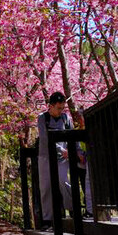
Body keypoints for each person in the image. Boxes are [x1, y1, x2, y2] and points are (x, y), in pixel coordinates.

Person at [37, 91, 73, 226]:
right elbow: (45, 137)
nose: (60, 111)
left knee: (64, 182)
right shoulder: (42, 118)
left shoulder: (65, 118)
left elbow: (72, 135)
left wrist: (72, 150)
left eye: (62, 108)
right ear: (50, 106)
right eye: (58, 108)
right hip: (45, 156)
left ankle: (72, 209)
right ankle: (47, 219)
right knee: (46, 187)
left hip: (62, 159)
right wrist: (62, 149)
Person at [71, 111, 93, 217]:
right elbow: (75, 146)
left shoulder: (90, 130)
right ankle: (88, 209)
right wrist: (78, 154)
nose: (79, 119)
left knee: (89, 185)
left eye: (80, 117)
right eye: (77, 117)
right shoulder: (76, 131)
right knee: (85, 185)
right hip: (80, 163)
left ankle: (91, 210)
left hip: (89, 161)